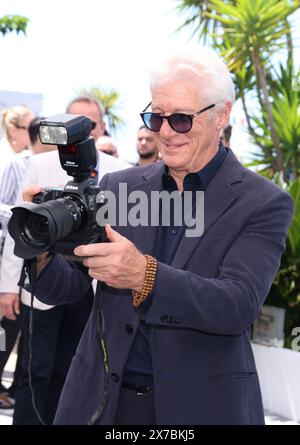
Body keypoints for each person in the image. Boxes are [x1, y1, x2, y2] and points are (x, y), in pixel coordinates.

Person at [21, 48, 293, 425]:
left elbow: (237, 304)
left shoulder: (263, 202)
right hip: (101, 404)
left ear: (222, 116)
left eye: (181, 119)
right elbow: (69, 288)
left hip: (199, 407)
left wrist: (144, 277)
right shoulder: (119, 186)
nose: (164, 132)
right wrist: (43, 247)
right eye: (156, 117)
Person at [0, 96, 131, 424]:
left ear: (99, 128)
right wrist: (8, 287)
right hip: (44, 279)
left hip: (96, 287)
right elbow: (24, 226)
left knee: (73, 370)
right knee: (35, 372)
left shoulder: (122, 173)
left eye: (84, 123)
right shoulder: (41, 164)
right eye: (69, 120)